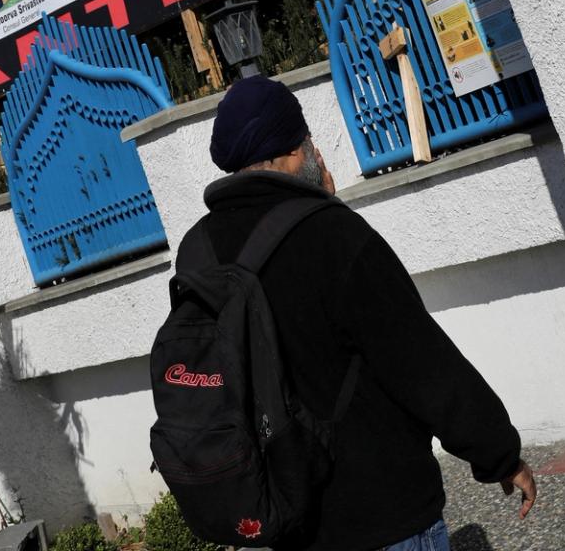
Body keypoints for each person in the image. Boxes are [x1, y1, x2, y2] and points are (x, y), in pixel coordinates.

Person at [183, 77, 536, 550]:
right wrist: (499, 454)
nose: (315, 150)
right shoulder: (333, 235)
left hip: (287, 515)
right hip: (382, 514)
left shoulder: (199, 250)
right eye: (308, 141)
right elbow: (420, 362)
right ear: (293, 153)